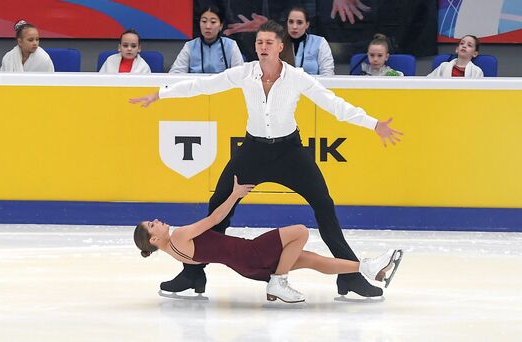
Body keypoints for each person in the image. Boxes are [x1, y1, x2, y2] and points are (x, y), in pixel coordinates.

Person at [130, 20, 403, 299]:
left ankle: (350, 277)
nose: (262, 47)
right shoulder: (245, 73)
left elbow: (334, 105)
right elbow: (203, 85)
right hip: (253, 151)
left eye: (269, 42)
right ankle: (192, 274)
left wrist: (373, 124)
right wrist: (161, 94)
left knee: (324, 205)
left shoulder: (296, 77)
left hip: (290, 152)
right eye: (259, 42)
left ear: (280, 47)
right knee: (220, 201)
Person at [134, 176, 403, 303]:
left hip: (246, 265)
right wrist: (235, 194)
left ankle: (366, 267)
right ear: (154, 238)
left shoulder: (174, 250)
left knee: (311, 259)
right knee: (300, 231)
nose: (157, 220)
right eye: (152, 224)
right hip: (251, 253)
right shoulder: (179, 236)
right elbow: (214, 219)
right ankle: (278, 282)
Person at [169, 6, 244, 73]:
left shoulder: (231, 45)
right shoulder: (190, 46)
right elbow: (175, 73)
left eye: (213, 22)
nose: (207, 26)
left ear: (221, 26)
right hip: (196, 87)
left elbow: (240, 74)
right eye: (204, 21)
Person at [286, 7, 335, 76]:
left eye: (299, 22)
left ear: (307, 25)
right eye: (291, 22)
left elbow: (328, 73)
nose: (294, 26)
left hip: (313, 86)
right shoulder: (278, 43)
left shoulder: (320, 42)